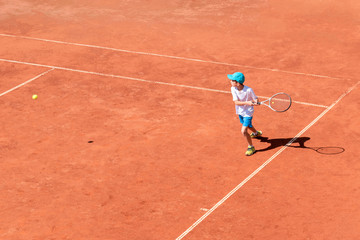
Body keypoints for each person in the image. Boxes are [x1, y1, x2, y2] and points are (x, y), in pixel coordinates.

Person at [228, 72, 262, 156]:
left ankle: (251, 147)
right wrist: (247, 102)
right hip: (240, 111)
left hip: (248, 112)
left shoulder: (248, 90)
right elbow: (236, 102)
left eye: (232, 80)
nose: (230, 81)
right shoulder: (233, 88)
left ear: (238, 83)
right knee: (248, 125)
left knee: (243, 131)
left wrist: (256, 102)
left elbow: (255, 99)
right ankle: (256, 133)